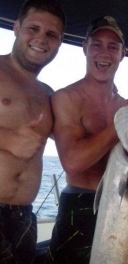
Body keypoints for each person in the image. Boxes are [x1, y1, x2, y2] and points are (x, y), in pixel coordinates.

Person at [46, 16, 128, 263]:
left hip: (121, 207)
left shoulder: (125, 107)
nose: (104, 53)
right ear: (85, 47)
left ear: (123, 53)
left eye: (112, 47)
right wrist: (120, 126)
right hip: (79, 205)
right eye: (97, 44)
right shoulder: (66, 98)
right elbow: (72, 162)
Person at [0, 0, 65, 263]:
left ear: (59, 43)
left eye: (51, 34)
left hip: (25, 216)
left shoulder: (48, 95)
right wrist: (7, 138)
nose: (41, 39)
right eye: (33, 28)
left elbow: (73, 140)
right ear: (16, 28)